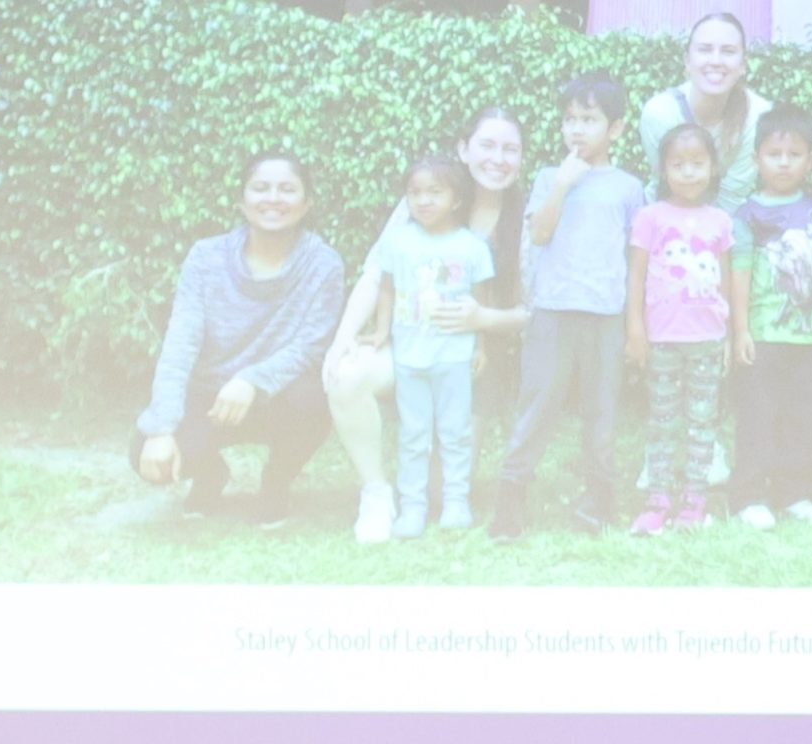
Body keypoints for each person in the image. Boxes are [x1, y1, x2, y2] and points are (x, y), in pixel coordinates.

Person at [324, 109, 531, 546]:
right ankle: (377, 494)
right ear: (463, 150)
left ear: (522, 158)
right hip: (411, 346)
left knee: (443, 487)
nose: (498, 159)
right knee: (347, 376)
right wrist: (342, 343)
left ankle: (438, 496)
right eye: (486, 146)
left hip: (471, 358)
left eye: (509, 149)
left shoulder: (527, 217)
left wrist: (483, 322)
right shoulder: (424, 198)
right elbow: (376, 275)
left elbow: (536, 311)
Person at [131, 151, 344, 528]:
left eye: (287, 189)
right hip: (210, 397)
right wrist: (161, 429)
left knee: (317, 397)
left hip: (278, 397)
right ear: (241, 201)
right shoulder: (206, 258)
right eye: (260, 188)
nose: (273, 199)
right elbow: (179, 345)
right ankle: (211, 474)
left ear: (307, 202)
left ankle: (276, 483)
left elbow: (313, 345)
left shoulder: (323, 263)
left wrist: (251, 379)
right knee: (145, 456)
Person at [490, 72, 646, 540]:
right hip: (553, 311)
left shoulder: (628, 187)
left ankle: (598, 497)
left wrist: (636, 325)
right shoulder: (546, 178)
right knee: (538, 403)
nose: (576, 130)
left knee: (601, 410)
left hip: (606, 315)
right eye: (569, 120)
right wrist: (562, 184)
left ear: (615, 128)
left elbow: (636, 257)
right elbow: (539, 233)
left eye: (589, 119)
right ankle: (511, 497)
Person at [363, 156, 497, 538]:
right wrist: (381, 331)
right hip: (410, 358)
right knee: (413, 434)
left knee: (455, 432)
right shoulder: (398, 242)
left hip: (454, 357)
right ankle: (413, 506)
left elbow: (479, 302)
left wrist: (480, 347)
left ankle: (457, 501)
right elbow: (387, 289)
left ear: (455, 199)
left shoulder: (472, 247)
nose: (423, 201)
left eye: (434, 192)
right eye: (415, 193)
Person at [728, 104, 812, 528]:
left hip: (811, 336)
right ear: (757, 158)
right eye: (774, 154)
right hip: (763, 334)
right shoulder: (747, 214)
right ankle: (748, 496)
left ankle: (794, 492)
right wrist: (740, 329)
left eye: (794, 154)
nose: (783, 162)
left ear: (809, 161)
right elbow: (738, 272)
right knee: (758, 415)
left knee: (801, 416)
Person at [627, 124, 735, 534]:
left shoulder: (720, 221)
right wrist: (636, 328)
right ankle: (657, 498)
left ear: (712, 167)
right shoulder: (650, 217)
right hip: (662, 339)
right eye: (678, 164)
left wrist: (727, 336)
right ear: (663, 169)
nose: (688, 173)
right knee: (662, 419)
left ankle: (694, 499)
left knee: (702, 421)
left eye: (697, 164)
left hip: (707, 340)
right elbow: (635, 276)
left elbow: (725, 281)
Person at [636, 12, 773, 214]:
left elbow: (731, 197)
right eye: (705, 49)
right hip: (661, 215)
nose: (715, 60)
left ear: (743, 64)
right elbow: (665, 184)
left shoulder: (758, 115)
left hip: (722, 224)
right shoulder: (660, 112)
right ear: (687, 61)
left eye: (728, 51)